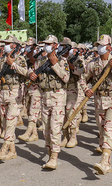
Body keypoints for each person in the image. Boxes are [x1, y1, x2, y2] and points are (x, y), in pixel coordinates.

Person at [81, 34, 112, 175]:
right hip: (99, 101)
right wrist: (86, 90)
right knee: (102, 131)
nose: (99, 48)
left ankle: (103, 160)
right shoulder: (92, 63)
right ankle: (107, 165)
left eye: (102, 45)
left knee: (108, 129)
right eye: (98, 45)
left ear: (109, 47)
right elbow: (82, 79)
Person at [28, 35, 70, 170]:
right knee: (46, 130)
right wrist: (32, 75)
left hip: (58, 96)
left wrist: (55, 65)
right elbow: (33, 73)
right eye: (45, 43)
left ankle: (54, 158)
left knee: (55, 128)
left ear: (55, 46)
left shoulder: (62, 61)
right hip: (44, 96)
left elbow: (66, 78)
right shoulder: (41, 61)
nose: (46, 46)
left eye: (49, 44)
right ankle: (49, 153)